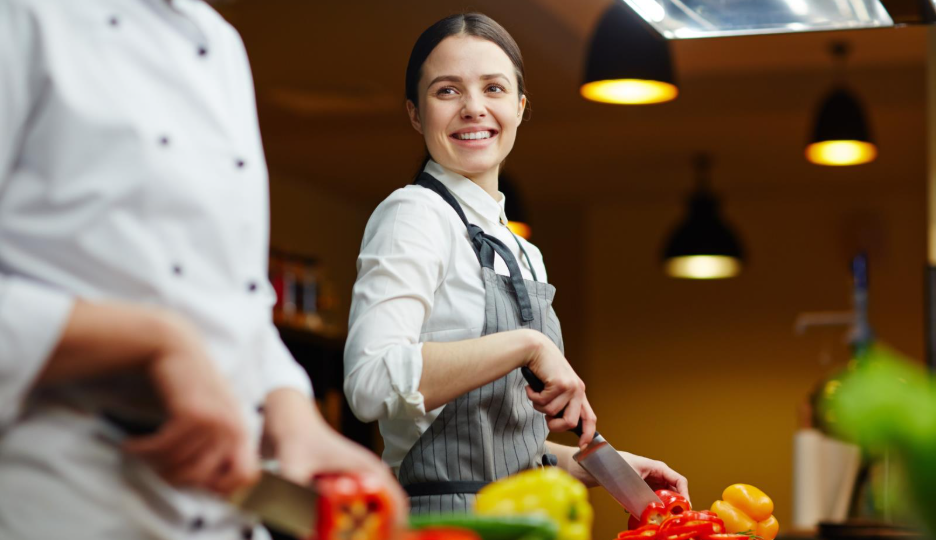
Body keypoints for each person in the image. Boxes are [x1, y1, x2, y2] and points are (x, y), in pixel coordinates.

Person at [0, 1, 405, 538]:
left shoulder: (218, 42)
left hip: (224, 513)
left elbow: (235, 302)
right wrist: (155, 339)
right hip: (66, 505)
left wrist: (291, 414)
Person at [344, 12, 689, 515]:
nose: (473, 108)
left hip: (528, 519)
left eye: (494, 88)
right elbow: (369, 382)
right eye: (447, 91)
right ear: (416, 114)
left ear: (521, 107)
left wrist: (600, 465)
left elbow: (497, 441)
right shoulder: (413, 214)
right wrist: (528, 344)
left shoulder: (525, 254)